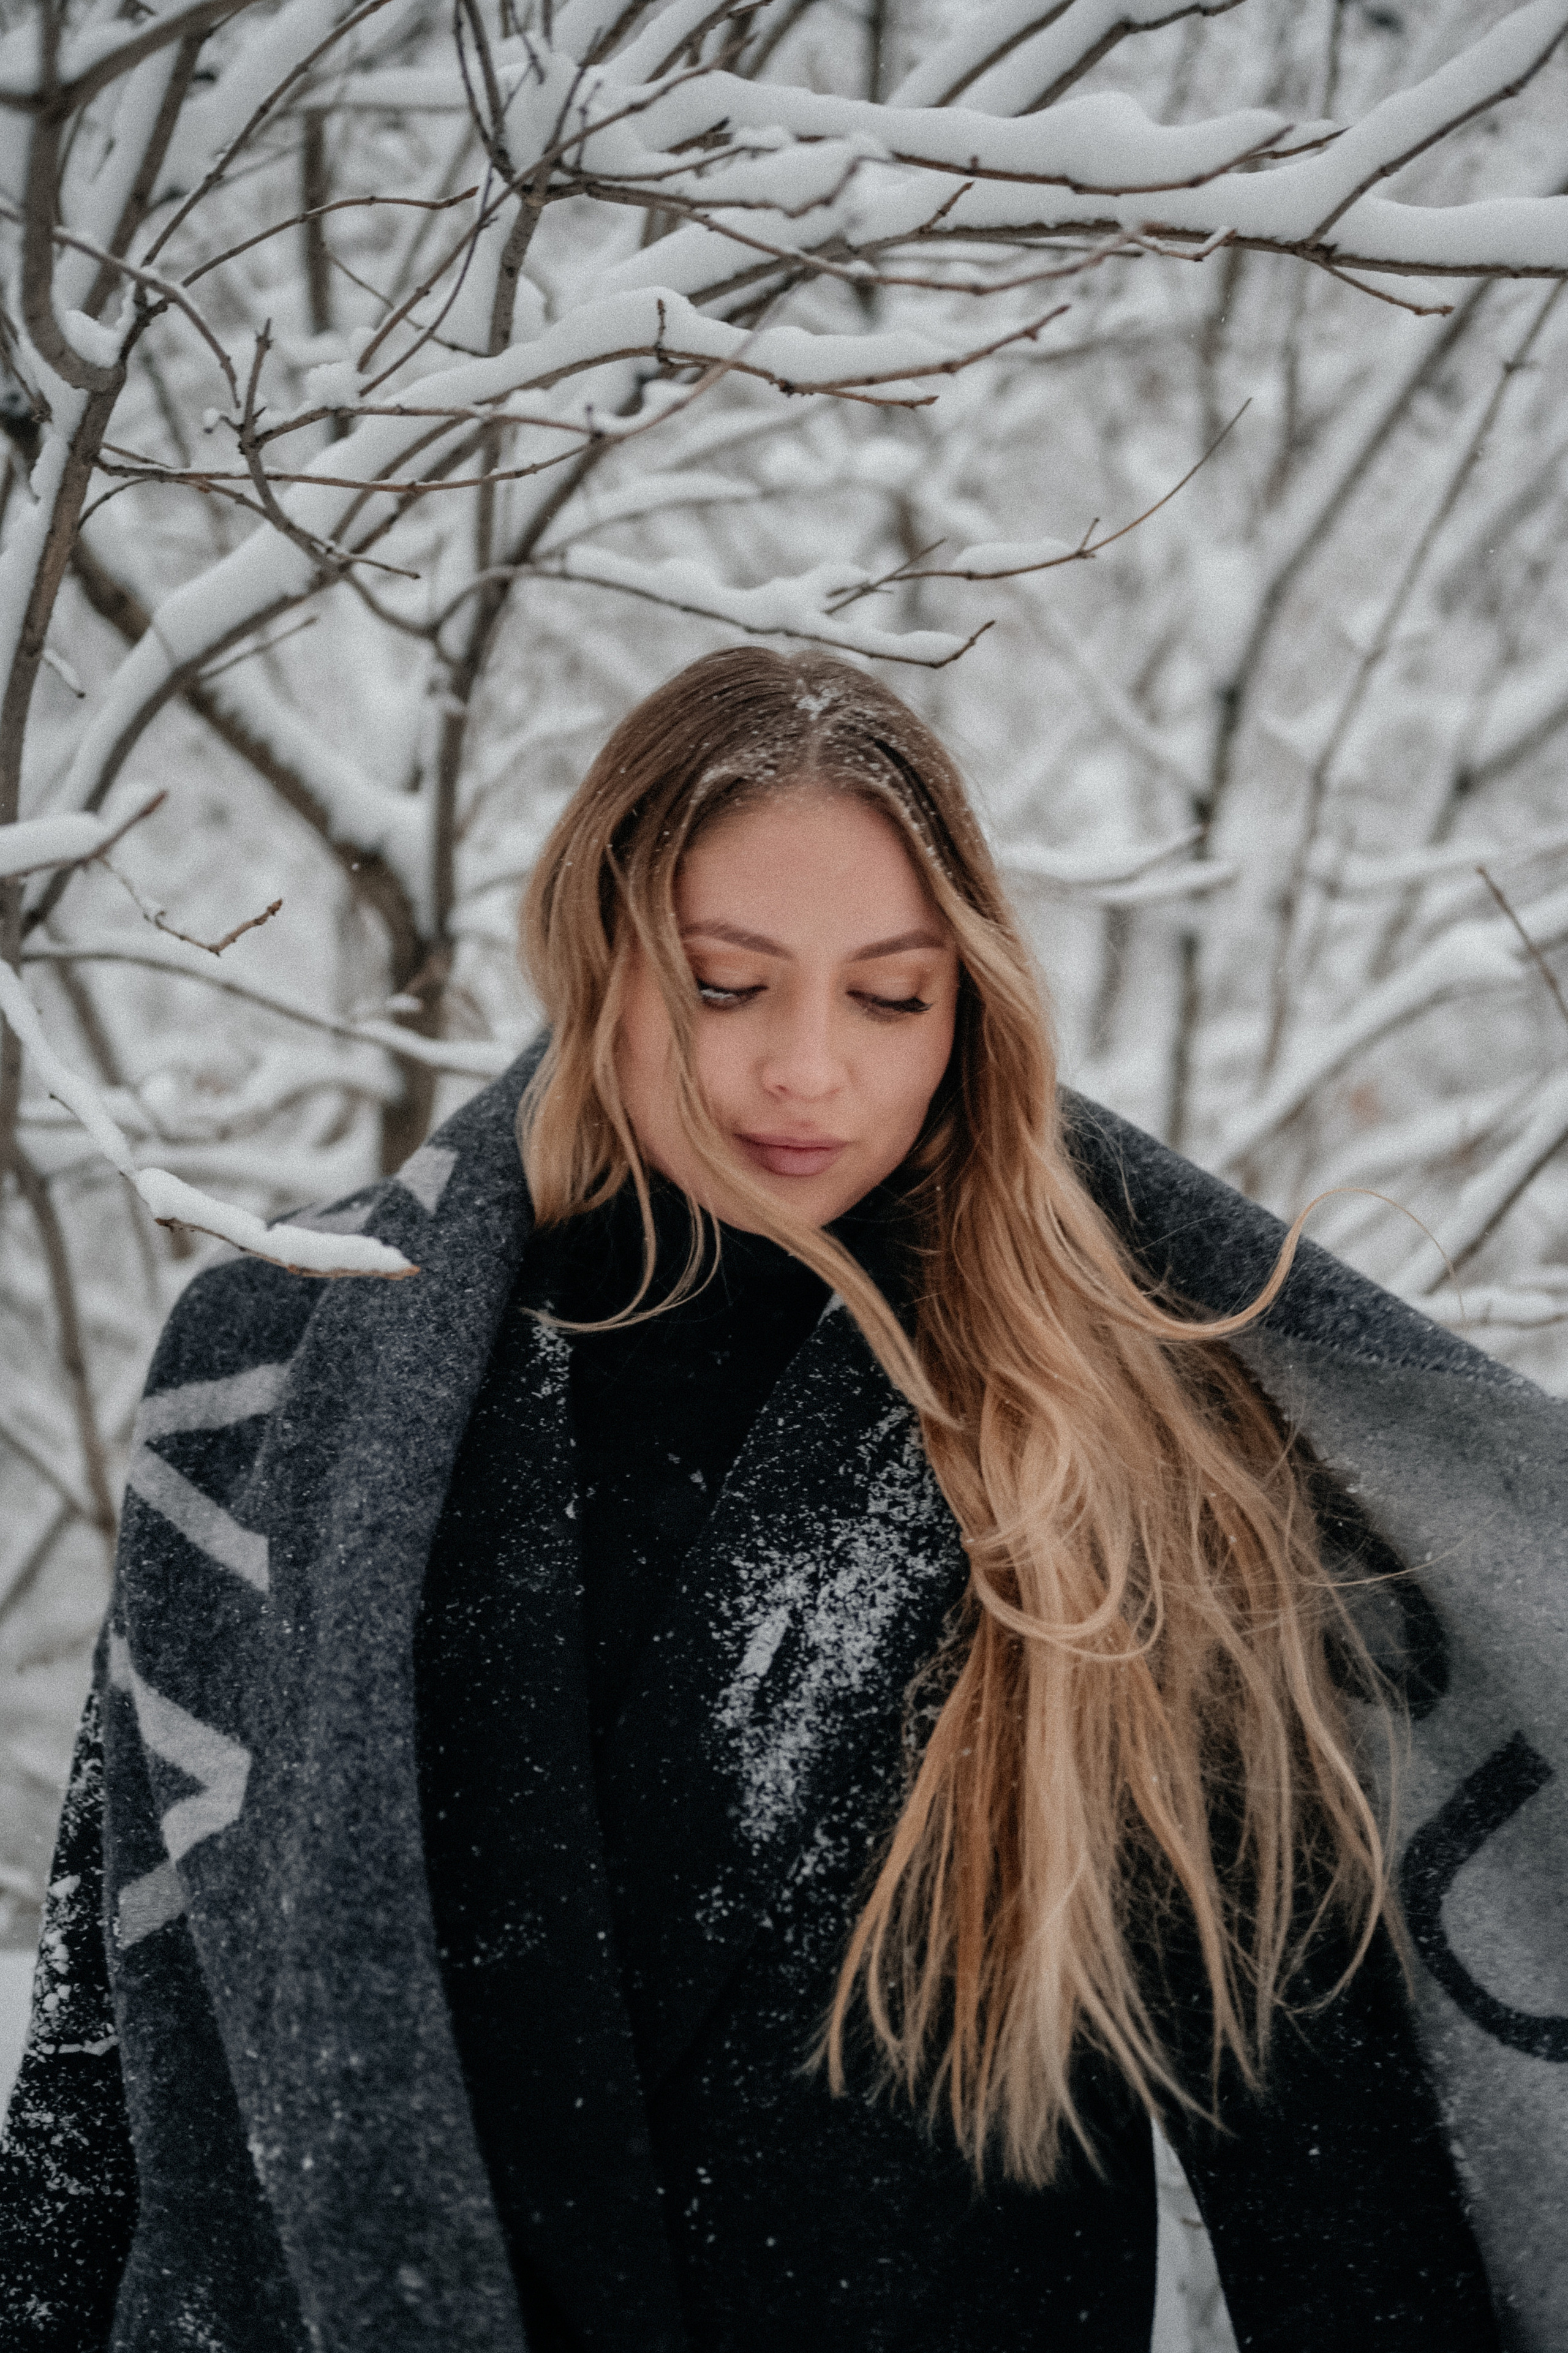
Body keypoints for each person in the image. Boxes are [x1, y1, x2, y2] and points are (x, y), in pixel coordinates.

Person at [0, 648, 1506, 2352]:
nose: (811, 1069)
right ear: (599, 955)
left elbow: (1328, 2163)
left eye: (891, 996)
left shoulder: (1101, 1443)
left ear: (971, 1011)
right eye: (730, 984)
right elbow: (101, 2071)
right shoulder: (275, 1388)